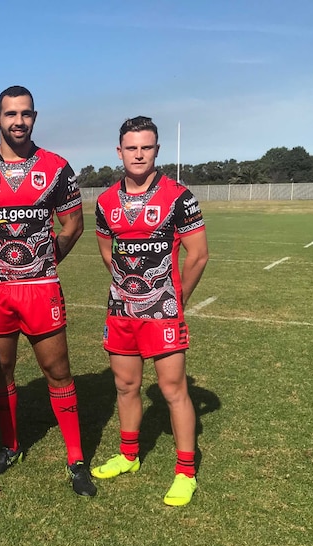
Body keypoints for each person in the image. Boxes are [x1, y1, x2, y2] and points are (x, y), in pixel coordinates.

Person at [0, 85, 96, 496]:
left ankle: (76, 458)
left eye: (26, 114)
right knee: (1, 372)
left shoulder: (56, 168)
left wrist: (42, 260)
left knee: (58, 372)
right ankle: (11, 445)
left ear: (34, 117)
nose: (18, 121)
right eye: (10, 114)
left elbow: (74, 226)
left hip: (41, 289)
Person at [92, 116, 209, 507]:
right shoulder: (106, 201)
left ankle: (186, 472)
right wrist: (130, 290)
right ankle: (128, 456)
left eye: (146, 146)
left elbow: (198, 255)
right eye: (131, 147)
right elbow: (108, 253)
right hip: (121, 310)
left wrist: (176, 298)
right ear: (119, 151)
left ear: (156, 150)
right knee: (125, 386)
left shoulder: (179, 195)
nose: (138, 153)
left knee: (173, 390)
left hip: (163, 312)